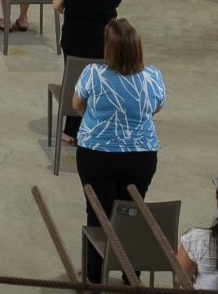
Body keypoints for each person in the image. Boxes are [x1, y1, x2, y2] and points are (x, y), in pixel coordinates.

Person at [71, 18, 164, 284]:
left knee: (97, 212)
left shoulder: (93, 73)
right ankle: (131, 274)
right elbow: (156, 108)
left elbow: (77, 104)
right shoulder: (153, 76)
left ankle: (93, 275)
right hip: (141, 155)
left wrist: (96, 121)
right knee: (132, 211)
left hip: (96, 153)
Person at [54, 0, 128, 144]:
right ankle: (101, 125)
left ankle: (71, 131)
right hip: (105, 44)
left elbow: (56, 5)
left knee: (75, 82)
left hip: (74, 43)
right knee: (103, 82)